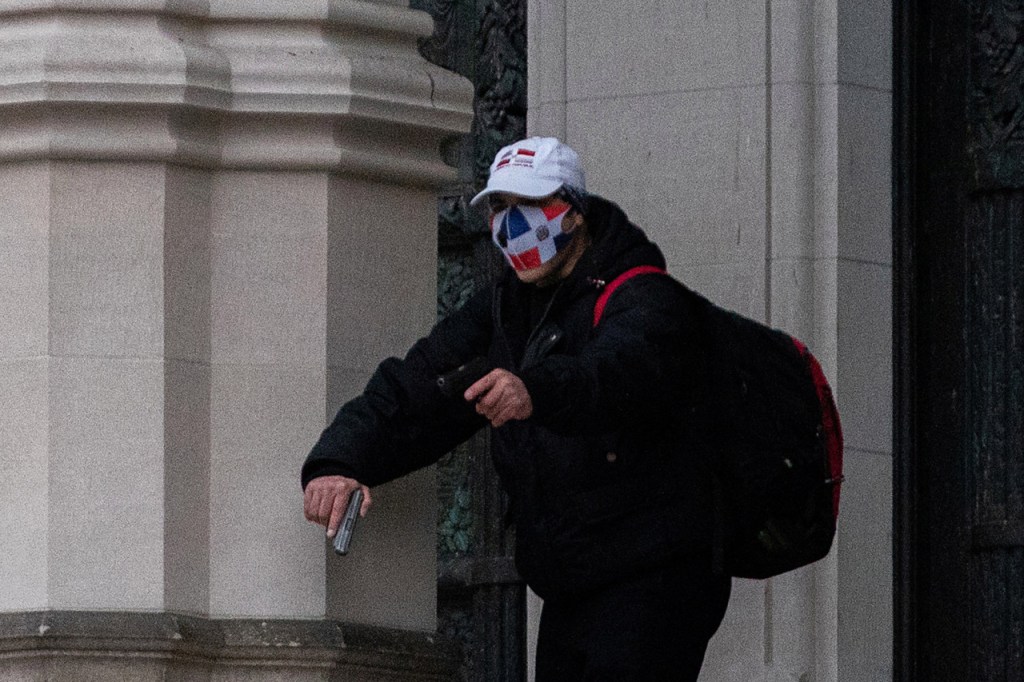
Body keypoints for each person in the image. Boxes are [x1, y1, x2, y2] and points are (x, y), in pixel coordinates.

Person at [301, 137, 730, 680]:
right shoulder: (507, 307)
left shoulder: (642, 296)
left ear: (573, 214)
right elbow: (418, 386)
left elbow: (617, 373)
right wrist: (339, 462)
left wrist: (536, 390)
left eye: (527, 207)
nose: (509, 225)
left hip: (653, 571)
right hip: (571, 576)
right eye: (499, 209)